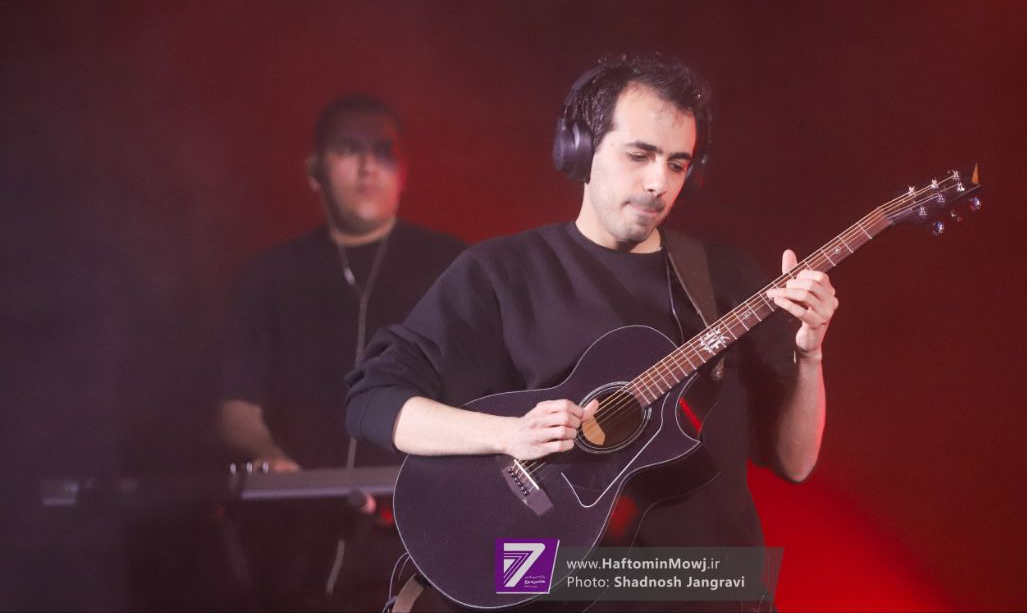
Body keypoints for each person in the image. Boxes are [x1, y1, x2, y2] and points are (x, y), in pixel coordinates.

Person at [345, 55, 837, 611]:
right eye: (639, 155)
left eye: (677, 164)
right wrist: (510, 434)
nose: (659, 182)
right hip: (563, 592)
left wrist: (811, 355)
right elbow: (372, 402)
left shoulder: (728, 280)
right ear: (582, 149)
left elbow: (796, 463)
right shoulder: (500, 273)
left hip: (707, 588)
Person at [215, 94, 466, 610]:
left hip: (417, 542)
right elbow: (236, 404)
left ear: (404, 171)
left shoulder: (453, 266)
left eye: (384, 151)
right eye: (349, 149)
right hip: (294, 550)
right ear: (315, 170)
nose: (369, 165)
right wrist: (268, 457)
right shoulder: (272, 276)